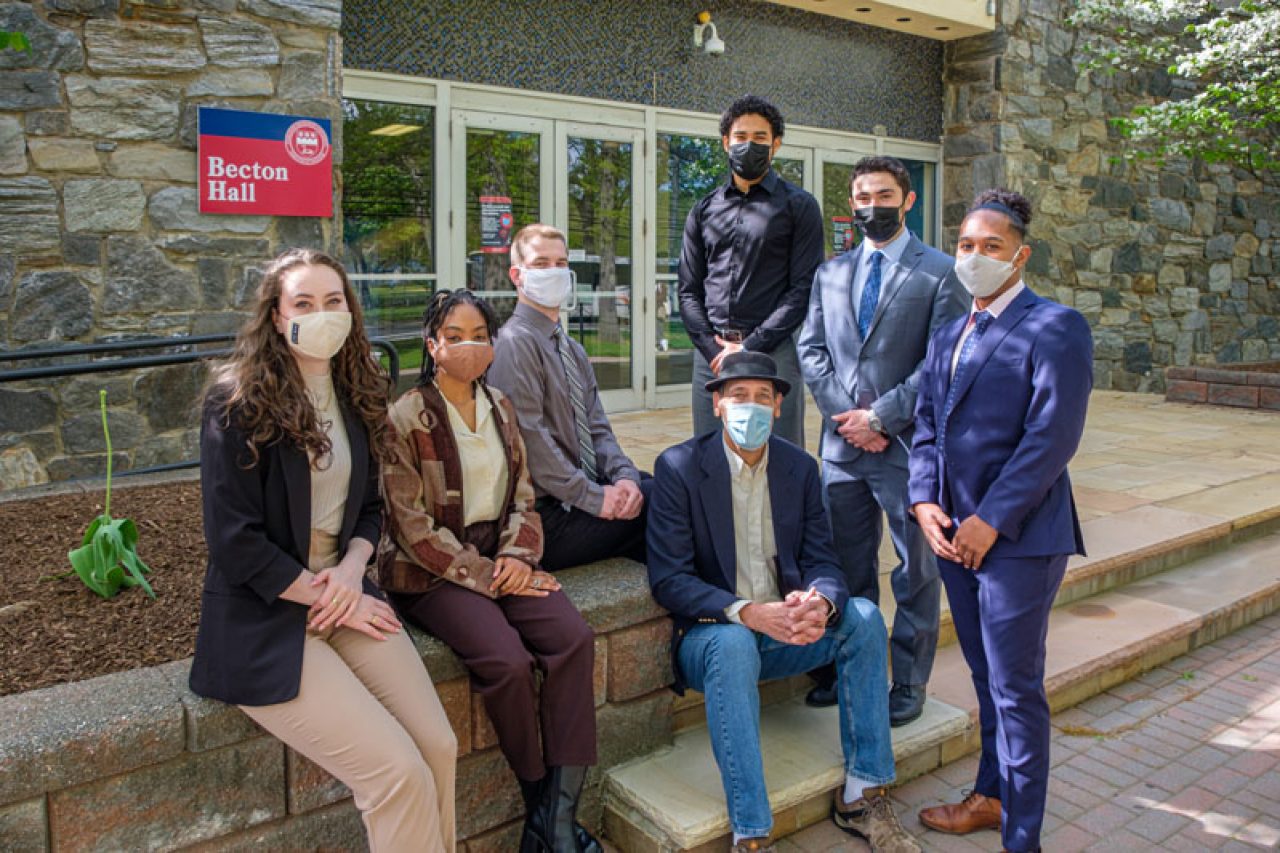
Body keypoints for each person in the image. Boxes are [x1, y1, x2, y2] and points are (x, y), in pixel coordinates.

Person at [190, 248, 456, 853]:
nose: (323, 313)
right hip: (268, 613)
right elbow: (235, 541)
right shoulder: (236, 403)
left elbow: (369, 507)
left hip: (345, 589)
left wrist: (352, 575)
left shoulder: (357, 389)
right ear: (278, 317)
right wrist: (329, 594)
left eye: (334, 301)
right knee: (396, 773)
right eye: (304, 303)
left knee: (439, 748)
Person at [646, 351, 919, 853]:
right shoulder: (679, 468)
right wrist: (748, 612)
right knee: (731, 645)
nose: (750, 407)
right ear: (717, 403)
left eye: (762, 398)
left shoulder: (799, 468)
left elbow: (824, 560)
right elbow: (670, 579)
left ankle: (864, 794)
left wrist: (820, 601)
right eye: (738, 396)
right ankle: (751, 834)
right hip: (713, 638)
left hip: (787, 633)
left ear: (777, 408)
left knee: (861, 616)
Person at [378, 289, 601, 853]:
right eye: (455, 335)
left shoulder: (501, 407)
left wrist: (519, 559)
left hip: (505, 556)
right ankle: (540, 807)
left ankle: (557, 816)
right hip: (433, 571)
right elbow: (412, 528)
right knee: (505, 661)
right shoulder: (405, 418)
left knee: (572, 638)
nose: (468, 345)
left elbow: (524, 497)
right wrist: (489, 575)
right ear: (433, 344)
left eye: (480, 334)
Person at [907, 190, 1092, 853]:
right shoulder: (947, 333)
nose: (975, 257)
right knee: (986, 677)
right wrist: (924, 498)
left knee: (1015, 688)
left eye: (991, 245)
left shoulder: (1056, 326)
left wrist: (990, 518)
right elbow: (928, 422)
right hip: (952, 532)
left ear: (1021, 253)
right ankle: (990, 796)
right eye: (965, 245)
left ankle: (1023, 837)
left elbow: (1052, 436)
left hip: (1017, 538)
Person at [797, 156, 967, 722]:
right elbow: (811, 350)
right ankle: (853, 666)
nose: (874, 206)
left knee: (916, 570)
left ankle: (909, 681)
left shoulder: (942, 272)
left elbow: (942, 361)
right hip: (842, 449)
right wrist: (850, 417)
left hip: (907, 450)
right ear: (853, 204)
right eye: (864, 196)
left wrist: (882, 418)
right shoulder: (831, 272)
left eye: (885, 195)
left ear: (908, 200)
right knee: (846, 567)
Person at [488, 223, 650, 571]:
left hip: (578, 494)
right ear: (517, 275)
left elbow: (597, 427)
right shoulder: (515, 344)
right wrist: (595, 498)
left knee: (660, 482)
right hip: (545, 516)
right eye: (541, 264)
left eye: (561, 263)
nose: (555, 272)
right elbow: (530, 439)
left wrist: (624, 477)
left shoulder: (571, 348)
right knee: (670, 502)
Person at [678, 94, 823, 448]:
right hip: (711, 357)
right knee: (710, 453)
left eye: (760, 138)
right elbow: (688, 289)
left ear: (776, 145)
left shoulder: (798, 207)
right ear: (726, 143)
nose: (749, 145)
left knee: (781, 454)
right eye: (741, 137)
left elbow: (802, 288)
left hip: (772, 352)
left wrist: (751, 346)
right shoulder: (703, 210)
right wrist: (713, 349)